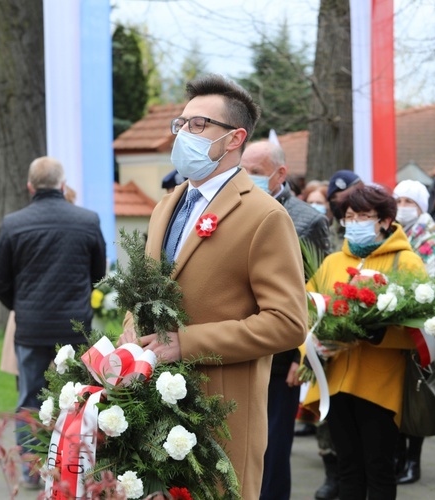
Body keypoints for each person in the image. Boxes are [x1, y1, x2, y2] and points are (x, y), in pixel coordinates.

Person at [118, 74, 308, 499]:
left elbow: (288, 323)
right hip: (152, 411)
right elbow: (147, 289)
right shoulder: (167, 204)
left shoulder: (264, 216)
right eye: (181, 124)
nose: (183, 133)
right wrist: (128, 338)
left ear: (234, 138)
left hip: (219, 419)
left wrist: (187, 343)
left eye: (198, 125)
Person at [0, 156, 106, 488]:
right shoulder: (87, 219)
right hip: (75, 327)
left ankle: (32, 471)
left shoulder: (14, 223)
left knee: (29, 398)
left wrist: (21, 307)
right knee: (76, 398)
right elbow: (98, 274)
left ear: (30, 187)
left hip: (30, 328)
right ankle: (72, 468)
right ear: (62, 184)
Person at [304, 185, 426, 499]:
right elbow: (306, 310)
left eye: (364, 215)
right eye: (349, 216)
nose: (355, 221)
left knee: (379, 469)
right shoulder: (332, 261)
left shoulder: (406, 261)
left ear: (385, 220)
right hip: (335, 380)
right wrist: (310, 348)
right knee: (347, 467)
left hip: (380, 385)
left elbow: (421, 326)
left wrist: (377, 334)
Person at [241, 140, 331, 500]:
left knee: (273, 449)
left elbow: (319, 295)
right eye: (243, 169)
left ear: (280, 174)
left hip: (283, 357)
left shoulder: (308, 219)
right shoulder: (236, 209)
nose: (247, 178)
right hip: (239, 347)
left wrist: (303, 358)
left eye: (256, 172)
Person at [390, 179, 435, 486]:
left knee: (416, 393)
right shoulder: (395, 231)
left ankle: (413, 460)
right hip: (394, 322)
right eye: (397, 200)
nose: (402, 207)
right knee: (397, 394)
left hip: (421, 325)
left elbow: (431, 277)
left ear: (421, 205)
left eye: (408, 201)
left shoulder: (431, 235)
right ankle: (397, 455)